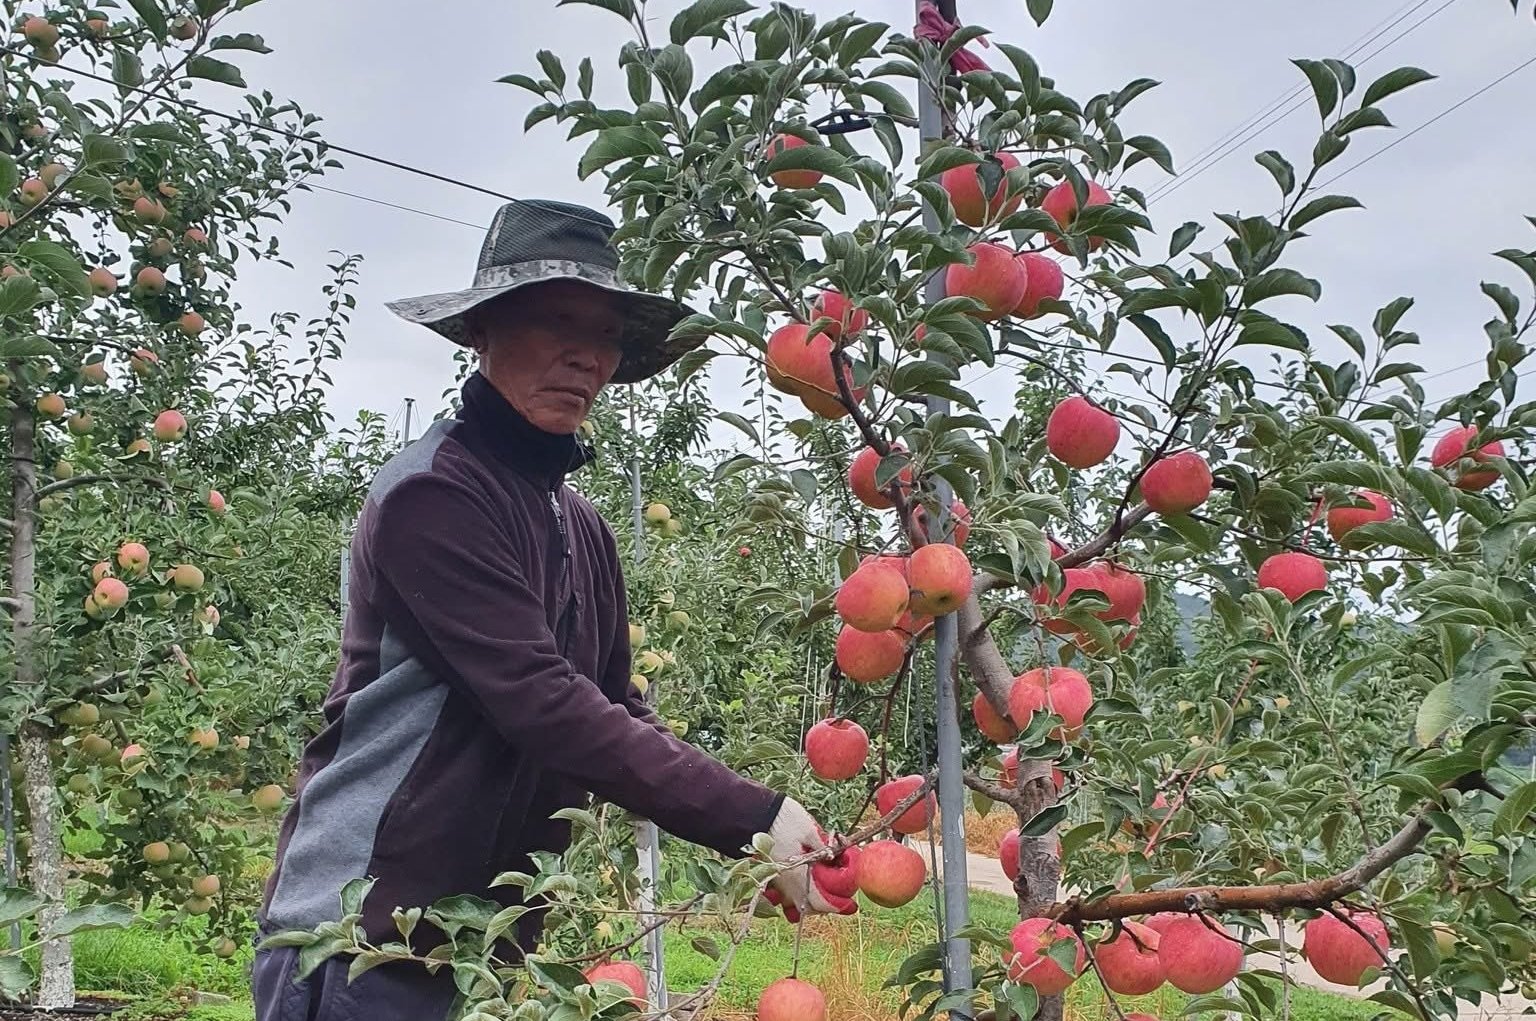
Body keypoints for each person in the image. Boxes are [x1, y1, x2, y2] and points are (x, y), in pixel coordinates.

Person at [251, 199, 838, 1020]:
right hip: (363, 934)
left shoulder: (581, 523)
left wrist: (752, 847)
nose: (585, 356)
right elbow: (547, 707)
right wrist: (752, 817)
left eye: (605, 335)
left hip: (478, 949)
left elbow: (613, 708)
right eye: (554, 319)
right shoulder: (435, 496)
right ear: (483, 330)